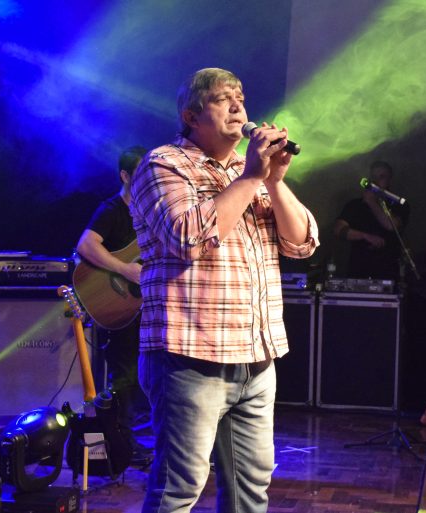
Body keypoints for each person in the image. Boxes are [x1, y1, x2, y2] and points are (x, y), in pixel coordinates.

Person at [130, 68, 319, 513]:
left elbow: (302, 242)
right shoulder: (164, 164)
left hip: (256, 358)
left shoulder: (249, 171)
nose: (238, 106)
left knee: (251, 490)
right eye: (222, 99)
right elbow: (186, 237)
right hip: (190, 358)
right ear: (191, 116)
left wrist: (273, 180)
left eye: (241, 97)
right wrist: (252, 178)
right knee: (179, 488)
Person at [75, 145, 151, 465]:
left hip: (148, 307)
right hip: (119, 305)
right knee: (125, 373)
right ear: (125, 176)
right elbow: (85, 245)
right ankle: (123, 444)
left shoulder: (155, 213)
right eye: (143, 173)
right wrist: (124, 269)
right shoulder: (112, 209)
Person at [334, 161, 410, 281]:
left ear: (389, 180)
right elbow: (338, 230)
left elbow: (391, 226)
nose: (376, 181)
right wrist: (364, 236)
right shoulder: (354, 205)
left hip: (387, 272)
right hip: (358, 272)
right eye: (373, 177)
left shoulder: (400, 205)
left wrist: (371, 202)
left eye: (381, 177)